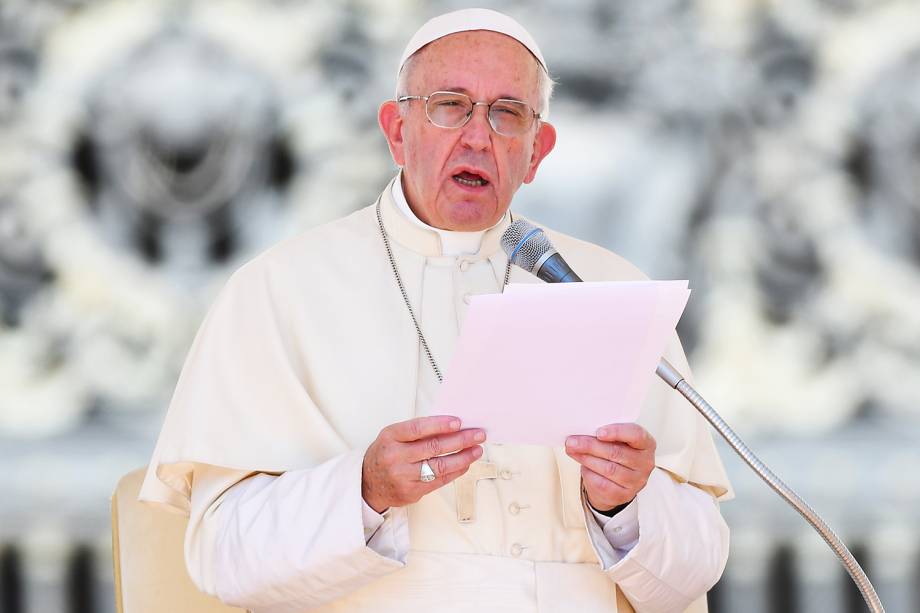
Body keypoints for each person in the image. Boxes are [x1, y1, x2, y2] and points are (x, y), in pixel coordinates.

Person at [139, 9, 733, 613]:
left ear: (536, 151)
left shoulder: (605, 287)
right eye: (450, 105)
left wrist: (625, 507)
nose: (478, 136)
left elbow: (702, 561)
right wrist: (365, 490)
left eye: (507, 114)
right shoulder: (279, 289)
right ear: (396, 129)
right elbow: (221, 556)